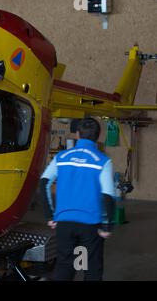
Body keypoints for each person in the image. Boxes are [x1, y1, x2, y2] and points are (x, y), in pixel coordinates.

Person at [40, 118, 116, 281]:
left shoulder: (61, 157)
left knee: (65, 266)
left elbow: (44, 182)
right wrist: (106, 225)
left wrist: (50, 215)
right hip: (91, 225)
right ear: (98, 136)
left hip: (65, 223)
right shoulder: (102, 161)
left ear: (77, 134)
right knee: (92, 269)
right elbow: (108, 195)